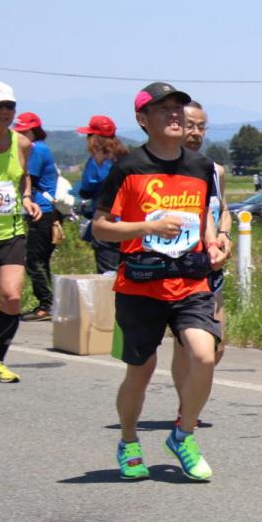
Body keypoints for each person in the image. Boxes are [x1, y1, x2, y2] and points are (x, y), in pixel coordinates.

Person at [92, 82, 228, 481]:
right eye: (163, 108)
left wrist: (216, 241)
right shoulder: (129, 168)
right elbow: (100, 226)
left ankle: (183, 435)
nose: (175, 114)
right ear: (142, 119)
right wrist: (148, 225)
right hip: (140, 285)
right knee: (141, 371)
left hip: (190, 281)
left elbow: (207, 217)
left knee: (204, 356)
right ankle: (129, 440)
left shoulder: (201, 168)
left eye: (178, 108)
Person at [169, 102, 231, 429]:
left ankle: (187, 406)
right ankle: (185, 412)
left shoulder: (215, 170)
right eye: (189, 125)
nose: (195, 133)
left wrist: (224, 236)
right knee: (188, 348)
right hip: (179, 269)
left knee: (215, 345)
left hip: (212, 267)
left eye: (201, 127)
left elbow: (224, 211)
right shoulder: (165, 172)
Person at [0, 82, 43, 383]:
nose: (4, 112)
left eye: (9, 107)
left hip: (11, 231)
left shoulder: (22, 144)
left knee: (12, 297)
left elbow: (24, 177)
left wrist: (27, 198)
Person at [13, 112, 59, 321]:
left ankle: (46, 303)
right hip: (42, 210)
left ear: (34, 131)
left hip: (40, 210)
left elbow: (25, 177)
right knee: (40, 260)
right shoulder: (36, 148)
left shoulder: (36, 149)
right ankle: (50, 302)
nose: (21, 134)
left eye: (24, 131)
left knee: (34, 260)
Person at [75, 116, 126, 274]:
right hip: (129, 224)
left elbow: (86, 188)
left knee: (108, 274)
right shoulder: (126, 158)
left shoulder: (97, 161)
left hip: (106, 222)